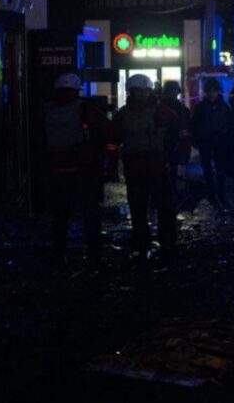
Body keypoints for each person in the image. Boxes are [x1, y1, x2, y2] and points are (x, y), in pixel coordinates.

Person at [112, 74, 182, 263]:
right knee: (141, 209)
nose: (142, 94)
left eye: (144, 91)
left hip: (154, 168)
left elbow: (175, 134)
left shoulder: (160, 112)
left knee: (161, 208)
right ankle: (149, 244)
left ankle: (161, 244)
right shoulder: (126, 114)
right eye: (138, 91)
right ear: (131, 92)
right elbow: (114, 138)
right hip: (140, 170)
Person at [43, 73, 111, 259]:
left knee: (60, 215)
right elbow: (107, 129)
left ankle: (59, 252)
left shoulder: (47, 109)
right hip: (82, 169)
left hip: (56, 168)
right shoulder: (84, 108)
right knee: (90, 213)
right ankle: (94, 252)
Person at [191, 78, 232, 207]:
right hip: (206, 142)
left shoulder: (224, 107)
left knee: (220, 169)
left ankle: (221, 194)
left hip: (220, 142)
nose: (212, 93)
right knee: (207, 169)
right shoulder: (201, 107)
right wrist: (196, 139)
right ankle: (211, 195)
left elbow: (230, 123)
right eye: (209, 91)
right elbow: (195, 125)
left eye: (214, 90)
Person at [159, 80, 192, 193]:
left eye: (174, 91)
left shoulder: (183, 109)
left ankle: (174, 192)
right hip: (165, 144)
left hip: (177, 145)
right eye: (171, 91)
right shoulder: (159, 109)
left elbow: (187, 125)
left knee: (176, 170)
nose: (173, 94)